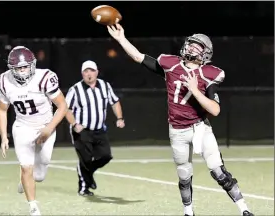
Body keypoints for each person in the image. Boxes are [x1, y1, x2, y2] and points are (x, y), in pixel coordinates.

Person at [107, 24, 254, 216]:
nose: (191, 48)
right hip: (177, 130)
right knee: (184, 175)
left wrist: (194, 90)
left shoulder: (208, 74)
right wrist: (121, 39)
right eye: (191, 44)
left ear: (205, 53)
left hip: (199, 127)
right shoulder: (171, 65)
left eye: (197, 46)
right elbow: (139, 57)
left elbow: (215, 110)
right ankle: (188, 212)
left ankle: (244, 210)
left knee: (218, 171)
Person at [0, 46, 68, 216]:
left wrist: (49, 128)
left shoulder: (44, 78)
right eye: (18, 67)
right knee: (26, 167)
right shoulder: (4, 81)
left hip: (46, 125)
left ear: (32, 64)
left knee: (40, 174)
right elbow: (1, 110)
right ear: (11, 68)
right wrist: (3, 136)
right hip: (23, 127)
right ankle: (33, 207)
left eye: (25, 66)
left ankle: (25, 179)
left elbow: (63, 106)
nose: (22, 71)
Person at [65, 60, 125, 196]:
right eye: (86, 71)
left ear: (97, 72)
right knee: (85, 159)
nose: (89, 74)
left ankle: (88, 173)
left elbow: (114, 102)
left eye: (91, 70)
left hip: (99, 129)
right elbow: (66, 109)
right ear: (82, 74)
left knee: (106, 156)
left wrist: (120, 118)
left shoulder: (105, 86)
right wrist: (75, 124)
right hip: (82, 130)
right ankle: (83, 187)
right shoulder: (75, 89)